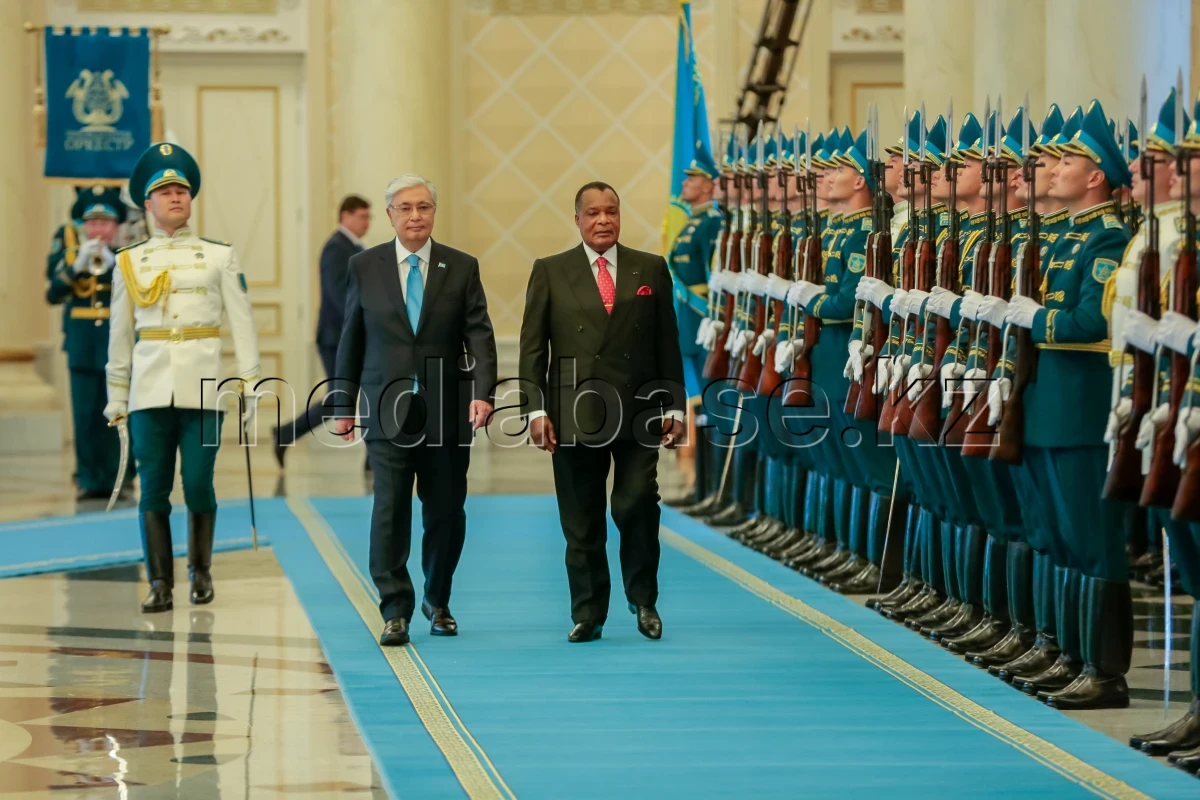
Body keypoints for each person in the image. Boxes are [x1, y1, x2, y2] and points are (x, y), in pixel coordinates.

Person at [331, 174, 497, 647]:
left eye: (423, 207)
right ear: (389, 215)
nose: (415, 216)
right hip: (386, 406)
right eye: (404, 208)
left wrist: (484, 392)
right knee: (390, 508)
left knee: (446, 512)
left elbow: (479, 335)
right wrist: (343, 403)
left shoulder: (461, 267)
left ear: (433, 213)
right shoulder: (365, 266)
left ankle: (437, 599)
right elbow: (351, 338)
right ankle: (395, 609)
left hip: (447, 408)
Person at [518, 181, 686, 643]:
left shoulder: (650, 267)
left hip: (638, 411)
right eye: (593, 213)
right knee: (581, 519)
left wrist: (675, 403)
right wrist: (534, 411)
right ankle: (588, 612)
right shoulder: (550, 271)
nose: (603, 220)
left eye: (611, 211)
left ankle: (644, 599)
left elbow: (666, 343)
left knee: (635, 504)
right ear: (577, 220)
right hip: (573, 411)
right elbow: (533, 350)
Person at [105, 142, 262, 613]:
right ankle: (159, 581)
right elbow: (119, 332)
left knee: (198, 483)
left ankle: (201, 569)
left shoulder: (218, 256)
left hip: (202, 386)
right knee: (152, 486)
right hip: (149, 389)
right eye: (165, 192)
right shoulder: (129, 261)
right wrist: (116, 393)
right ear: (148, 204)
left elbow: (242, 320)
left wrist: (251, 379)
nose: (176, 197)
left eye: (182, 191)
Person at [46, 186, 132, 502]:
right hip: (82, 343)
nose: (98, 229)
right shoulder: (69, 250)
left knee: (118, 412)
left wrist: (114, 265)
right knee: (84, 415)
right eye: (92, 222)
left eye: (105, 222)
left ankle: (119, 476)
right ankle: (88, 478)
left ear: (116, 226)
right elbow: (52, 294)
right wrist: (76, 267)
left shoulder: (127, 255)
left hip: (117, 342)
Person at [274, 194, 370, 466]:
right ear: (345, 216)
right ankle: (285, 433)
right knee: (343, 397)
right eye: (362, 216)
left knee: (350, 395)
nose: (367, 223)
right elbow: (338, 294)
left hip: (346, 336)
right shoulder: (336, 248)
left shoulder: (354, 247)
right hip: (336, 337)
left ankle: (285, 433)